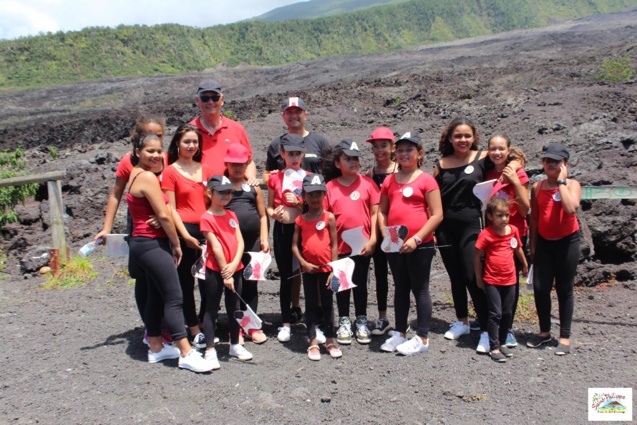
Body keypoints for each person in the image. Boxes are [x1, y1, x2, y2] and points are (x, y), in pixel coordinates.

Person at [126, 133, 212, 373]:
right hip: (152, 244)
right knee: (174, 297)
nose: (155, 155)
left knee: (155, 295)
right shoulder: (147, 177)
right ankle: (186, 351)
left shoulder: (135, 174)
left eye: (158, 151)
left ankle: (155, 346)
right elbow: (164, 214)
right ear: (137, 152)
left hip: (142, 243)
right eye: (149, 151)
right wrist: (176, 243)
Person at [94, 115, 167, 343]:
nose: (156, 140)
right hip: (139, 222)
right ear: (139, 140)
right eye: (150, 135)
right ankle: (151, 327)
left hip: (165, 221)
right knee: (142, 274)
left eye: (161, 135)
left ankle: (165, 323)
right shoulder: (128, 162)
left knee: (166, 274)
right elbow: (116, 194)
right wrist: (106, 227)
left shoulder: (166, 157)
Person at [263, 97, 331, 324]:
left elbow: (329, 176)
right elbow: (268, 177)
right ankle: (292, 310)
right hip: (286, 224)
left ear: (305, 114)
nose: (294, 115)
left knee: (315, 264)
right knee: (290, 270)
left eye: (298, 111)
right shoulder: (276, 145)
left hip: (312, 217)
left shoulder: (319, 141)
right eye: (289, 112)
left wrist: (302, 204)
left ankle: (319, 311)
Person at [377, 132, 443, 355]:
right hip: (395, 244)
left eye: (409, 150)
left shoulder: (426, 180)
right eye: (401, 150)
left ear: (420, 153)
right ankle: (399, 332)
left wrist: (416, 239)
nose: (404, 154)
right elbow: (382, 211)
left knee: (420, 289)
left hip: (420, 244)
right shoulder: (389, 180)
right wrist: (387, 235)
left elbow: (437, 215)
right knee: (400, 287)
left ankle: (422, 338)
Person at [434, 117, 491, 354]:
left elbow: (509, 158)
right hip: (446, 227)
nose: (463, 140)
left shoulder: (483, 157)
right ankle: (462, 322)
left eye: (467, 135)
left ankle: (488, 329)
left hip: (472, 224)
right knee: (455, 276)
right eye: (458, 136)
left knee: (472, 275)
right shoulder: (441, 163)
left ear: (474, 137)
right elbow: (434, 196)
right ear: (450, 138)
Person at [161, 124, 213, 348]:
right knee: (186, 281)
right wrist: (184, 236)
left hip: (206, 230)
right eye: (186, 142)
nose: (191, 146)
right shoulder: (170, 171)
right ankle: (192, 326)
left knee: (209, 279)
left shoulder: (206, 168)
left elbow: (212, 201)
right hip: (185, 231)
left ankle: (205, 321)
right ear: (177, 144)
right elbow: (170, 208)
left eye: (195, 142)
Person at [324, 140, 379, 345]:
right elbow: (325, 217)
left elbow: (375, 213)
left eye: (356, 158)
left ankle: (362, 319)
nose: (353, 162)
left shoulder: (367, 184)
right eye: (348, 158)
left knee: (361, 283)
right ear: (338, 163)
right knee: (342, 284)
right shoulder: (330, 187)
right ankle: (344, 320)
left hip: (362, 246)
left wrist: (373, 239)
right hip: (339, 248)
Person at [528, 143, 580, 356]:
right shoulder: (537, 187)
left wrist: (561, 182)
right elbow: (535, 220)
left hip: (567, 242)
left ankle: (565, 336)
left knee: (564, 289)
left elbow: (570, 208)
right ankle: (544, 332)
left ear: (565, 164)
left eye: (556, 162)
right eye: (548, 161)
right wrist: (532, 247)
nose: (551, 165)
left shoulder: (572, 185)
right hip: (544, 243)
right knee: (540, 288)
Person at [200, 175, 253, 367]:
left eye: (229, 192)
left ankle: (235, 344)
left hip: (235, 268)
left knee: (235, 308)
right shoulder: (207, 218)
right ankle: (210, 349)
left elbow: (240, 241)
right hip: (216, 270)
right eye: (221, 192)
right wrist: (226, 272)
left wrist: (234, 265)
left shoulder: (231, 215)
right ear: (210, 192)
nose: (226, 196)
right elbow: (215, 246)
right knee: (211, 309)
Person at [486, 136, 530, 348]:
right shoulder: (487, 172)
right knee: (493, 278)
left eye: (501, 149)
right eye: (492, 149)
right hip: (491, 236)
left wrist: (513, 178)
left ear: (508, 150)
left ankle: (508, 327)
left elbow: (524, 208)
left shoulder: (518, 173)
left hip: (514, 234)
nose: (497, 153)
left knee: (511, 281)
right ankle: (493, 323)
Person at [291, 174, 341, 360]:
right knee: (311, 304)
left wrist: (334, 268)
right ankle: (312, 341)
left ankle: (330, 339)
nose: (315, 198)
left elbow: (335, 244)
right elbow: (294, 246)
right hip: (309, 270)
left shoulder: (329, 218)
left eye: (318, 194)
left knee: (328, 305)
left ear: (324, 195)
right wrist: (303, 263)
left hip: (327, 270)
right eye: (311, 195)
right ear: (304, 195)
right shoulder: (300, 220)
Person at [224, 143, 270, 344]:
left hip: (253, 245)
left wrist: (265, 238)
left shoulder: (253, 187)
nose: (237, 168)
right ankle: (235, 329)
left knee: (251, 284)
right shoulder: (222, 186)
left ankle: (252, 326)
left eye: (241, 164)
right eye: (233, 164)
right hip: (231, 245)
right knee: (235, 286)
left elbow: (262, 215)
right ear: (227, 163)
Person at [475, 197, 529, 362]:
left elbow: (518, 248)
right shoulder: (486, 234)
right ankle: (494, 346)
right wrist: (478, 278)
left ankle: (503, 341)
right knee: (495, 313)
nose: (504, 219)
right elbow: (477, 257)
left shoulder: (513, 230)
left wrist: (525, 264)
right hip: (492, 280)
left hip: (510, 279)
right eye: (499, 215)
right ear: (490, 216)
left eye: (506, 215)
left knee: (507, 313)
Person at [266, 133, 307, 342]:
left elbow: (316, 207)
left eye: (298, 153)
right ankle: (285, 322)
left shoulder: (308, 177)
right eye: (290, 153)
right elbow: (269, 207)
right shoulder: (275, 177)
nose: (294, 157)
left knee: (307, 272)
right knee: (285, 275)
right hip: (283, 231)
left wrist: (299, 202)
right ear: (282, 154)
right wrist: (276, 214)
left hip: (305, 231)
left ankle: (314, 319)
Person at [364, 126, 397, 336]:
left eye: (383, 146)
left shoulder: (400, 171)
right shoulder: (370, 174)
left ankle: (402, 318)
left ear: (392, 147)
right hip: (376, 233)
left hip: (395, 231)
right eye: (375, 147)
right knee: (380, 275)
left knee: (401, 276)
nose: (379, 151)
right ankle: (383, 317)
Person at [189, 79, 257, 179]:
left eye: (215, 97)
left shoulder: (236, 129)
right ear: (197, 101)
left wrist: (250, 180)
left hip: (231, 191)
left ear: (222, 100)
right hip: (199, 191)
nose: (210, 102)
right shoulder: (189, 131)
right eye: (205, 98)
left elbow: (249, 161)